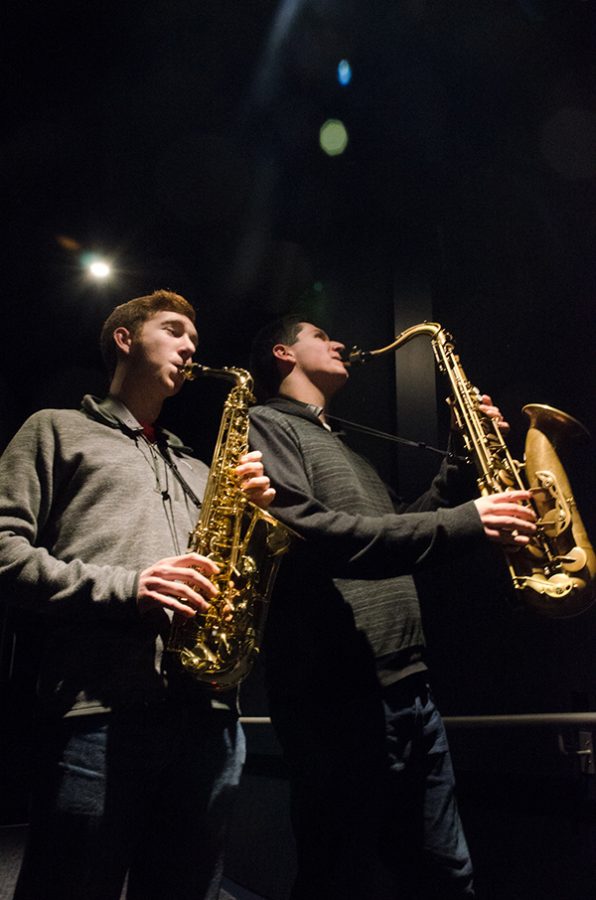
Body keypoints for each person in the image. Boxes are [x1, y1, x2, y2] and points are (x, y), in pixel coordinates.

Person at [248, 316, 537, 900]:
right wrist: (469, 522)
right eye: (319, 335)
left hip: (411, 685)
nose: (337, 342)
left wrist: (463, 457)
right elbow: (322, 537)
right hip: (337, 694)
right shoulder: (265, 424)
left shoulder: (342, 445)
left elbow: (400, 528)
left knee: (447, 873)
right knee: (340, 875)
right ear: (283, 353)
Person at [0, 290, 274, 900]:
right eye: (174, 331)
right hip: (99, 713)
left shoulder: (200, 467)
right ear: (124, 339)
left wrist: (252, 524)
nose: (190, 346)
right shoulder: (55, 428)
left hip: (208, 719)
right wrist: (129, 587)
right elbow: (3, 553)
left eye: (195, 339)